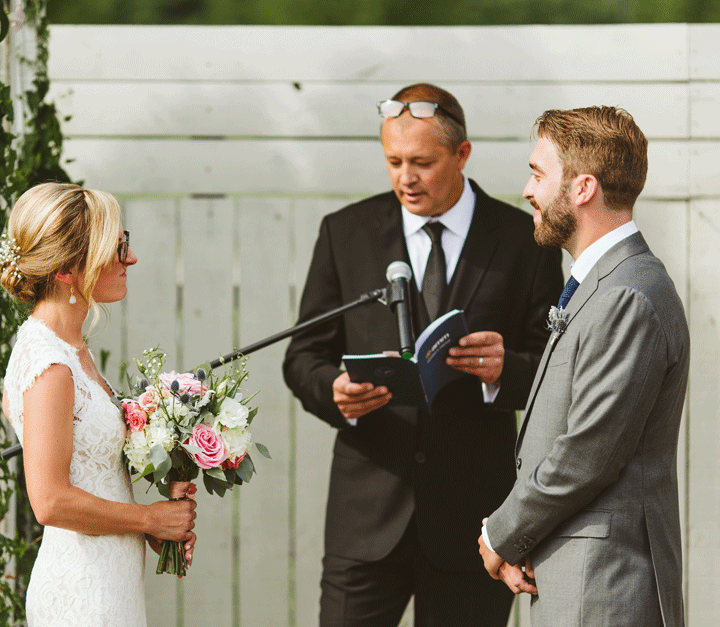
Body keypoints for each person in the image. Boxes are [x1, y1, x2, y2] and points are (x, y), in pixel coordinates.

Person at [282, 83, 564, 627]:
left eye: (422, 162)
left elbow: (558, 369)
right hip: (364, 523)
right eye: (393, 161)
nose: (405, 178)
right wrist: (336, 393)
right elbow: (303, 358)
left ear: (462, 154)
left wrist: (506, 369)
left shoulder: (522, 239)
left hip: (477, 522)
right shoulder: (346, 232)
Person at [478, 106, 689, 627]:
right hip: (576, 581)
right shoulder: (604, 285)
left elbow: (586, 454)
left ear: (583, 188)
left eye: (537, 173)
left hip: (605, 590)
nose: (527, 190)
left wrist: (500, 534)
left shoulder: (627, 295)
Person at [0, 182, 197, 627]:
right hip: (83, 595)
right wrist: (148, 518)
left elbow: (95, 479)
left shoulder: (70, 348)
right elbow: (49, 500)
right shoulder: (50, 362)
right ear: (69, 269)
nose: (131, 258)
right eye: (118, 246)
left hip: (112, 582)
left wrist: (158, 522)